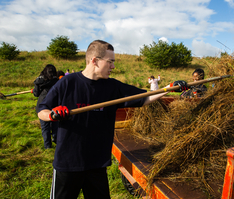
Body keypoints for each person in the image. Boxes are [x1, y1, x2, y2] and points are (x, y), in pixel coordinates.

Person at [37, 40, 188, 199]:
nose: (113, 66)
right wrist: (52, 114)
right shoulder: (68, 82)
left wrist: (171, 87)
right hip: (67, 163)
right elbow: (42, 110)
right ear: (94, 61)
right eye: (110, 62)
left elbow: (144, 98)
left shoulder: (112, 87)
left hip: (96, 164)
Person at [33, 64, 59, 149]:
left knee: (45, 127)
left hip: (43, 105)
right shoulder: (57, 81)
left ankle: (47, 146)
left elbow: (36, 94)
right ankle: (55, 137)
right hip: (54, 105)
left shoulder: (40, 81)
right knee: (55, 123)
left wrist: (36, 83)